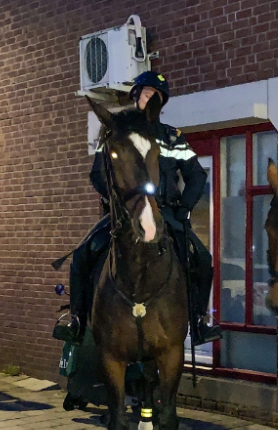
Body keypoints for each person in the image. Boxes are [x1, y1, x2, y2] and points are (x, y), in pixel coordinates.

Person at [65, 70, 220, 345]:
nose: (151, 100)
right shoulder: (117, 132)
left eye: (156, 97)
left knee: (203, 260)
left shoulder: (171, 137)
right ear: (136, 96)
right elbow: (98, 175)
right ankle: (77, 320)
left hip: (167, 213)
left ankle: (198, 322)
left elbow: (196, 175)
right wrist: (116, 200)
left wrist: (184, 208)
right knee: (81, 255)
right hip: (125, 212)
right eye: (147, 94)